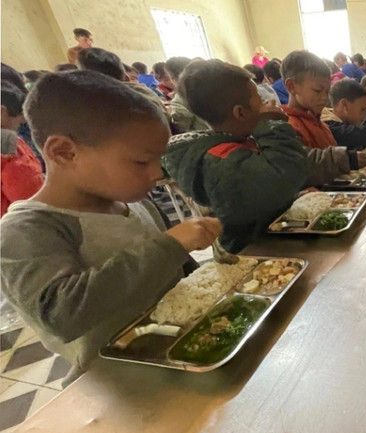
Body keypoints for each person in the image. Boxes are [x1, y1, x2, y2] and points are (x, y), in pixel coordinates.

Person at [0, 70, 222, 380]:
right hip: (120, 379)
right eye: (141, 161)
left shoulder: (131, 201)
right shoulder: (26, 230)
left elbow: (172, 272)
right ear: (65, 152)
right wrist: (170, 245)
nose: (157, 172)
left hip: (184, 352)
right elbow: (62, 314)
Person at [163, 60, 308, 253]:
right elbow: (283, 176)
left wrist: (295, 196)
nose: (266, 104)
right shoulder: (220, 157)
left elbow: (262, 191)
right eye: (260, 101)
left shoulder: (237, 142)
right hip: (251, 251)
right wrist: (272, 125)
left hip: (271, 237)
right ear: (240, 113)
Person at [280, 50, 366, 185]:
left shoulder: (319, 122)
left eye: (327, 92)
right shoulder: (287, 126)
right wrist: (347, 159)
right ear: (292, 86)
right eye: (317, 91)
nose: (324, 98)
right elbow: (305, 167)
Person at [1, 83, 44, 216]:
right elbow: (32, 200)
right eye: (19, 123)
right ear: (2, 112)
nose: (19, 128)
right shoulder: (7, 144)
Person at [321, 79, 366, 150]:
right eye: (362, 110)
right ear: (344, 105)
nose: (364, 116)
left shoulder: (345, 120)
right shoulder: (326, 124)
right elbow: (351, 134)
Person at [167, 57, 212, 133]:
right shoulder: (211, 85)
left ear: (174, 79)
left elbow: (180, 128)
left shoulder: (181, 97)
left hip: (206, 139)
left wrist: (169, 115)